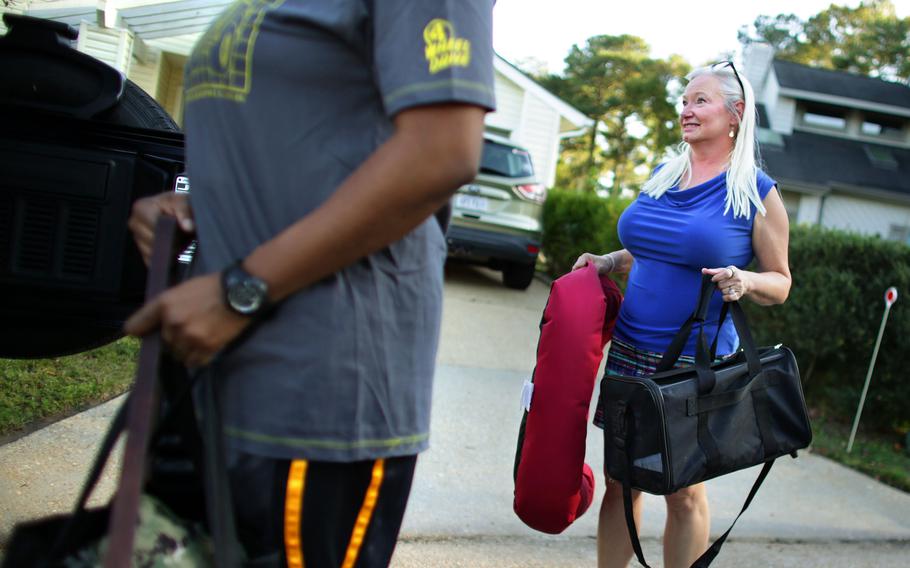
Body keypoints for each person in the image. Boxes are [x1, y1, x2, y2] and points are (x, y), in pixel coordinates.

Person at [125, 1, 496, 566]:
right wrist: (198, 203)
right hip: (215, 378)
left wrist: (241, 289)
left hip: (319, 392)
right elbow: (311, 151)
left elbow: (441, 151)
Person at [572, 61, 791, 568]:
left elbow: (780, 282)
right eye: (685, 100)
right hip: (629, 350)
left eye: (700, 101)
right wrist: (607, 261)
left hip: (694, 363)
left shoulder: (756, 192)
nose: (686, 109)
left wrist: (747, 280)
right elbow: (652, 250)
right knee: (621, 481)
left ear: (736, 114)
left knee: (682, 490)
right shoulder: (664, 173)